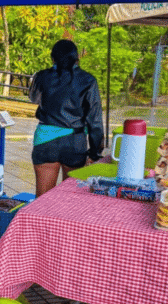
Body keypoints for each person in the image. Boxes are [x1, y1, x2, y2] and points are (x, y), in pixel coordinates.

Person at [28, 39, 104, 197]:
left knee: (42, 199)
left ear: (53, 58)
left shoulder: (42, 76)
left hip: (45, 140)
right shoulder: (88, 80)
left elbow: (34, 98)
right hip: (75, 142)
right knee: (70, 200)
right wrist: (95, 152)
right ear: (77, 58)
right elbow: (95, 121)